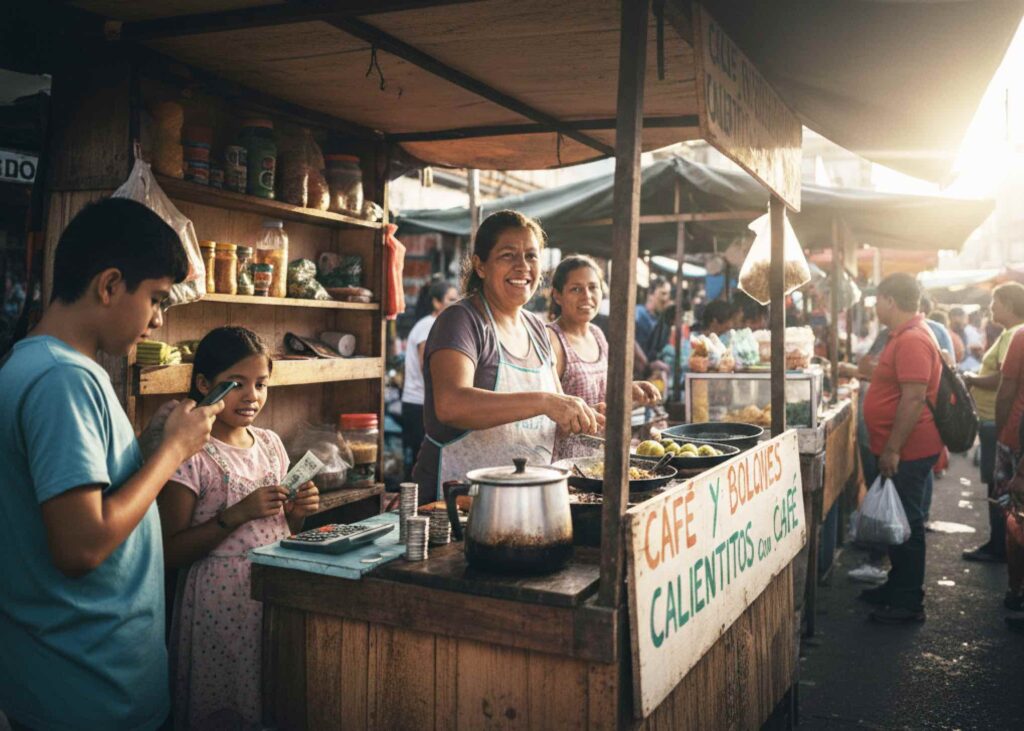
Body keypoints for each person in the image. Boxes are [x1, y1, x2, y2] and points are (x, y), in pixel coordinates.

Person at [0, 198, 222, 729]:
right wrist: (173, 452)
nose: (157, 320)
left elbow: (82, 496)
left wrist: (147, 449)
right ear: (110, 285)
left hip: (76, 680)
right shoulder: (63, 380)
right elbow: (80, 546)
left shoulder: (34, 364)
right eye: (156, 300)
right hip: (88, 691)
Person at [158, 326, 320, 728]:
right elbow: (169, 551)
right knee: (224, 705)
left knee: (268, 701)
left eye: (261, 384)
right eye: (236, 384)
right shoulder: (191, 451)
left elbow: (284, 528)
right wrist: (238, 513)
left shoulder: (269, 443)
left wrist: (299, 511)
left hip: (272, 593)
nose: (251, 396)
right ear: (203, 385)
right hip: (219, 602)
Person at [413, 210, 603, 504]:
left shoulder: (537, 329)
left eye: (531, 255)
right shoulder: (462, 320)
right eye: (507, 255)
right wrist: (544, 401)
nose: (522, 267)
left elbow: (551, 413)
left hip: (524, 500)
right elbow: (451, 405)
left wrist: (582, 415)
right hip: (456, 502)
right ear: (480, 265)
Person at [859, 273, 942, 624]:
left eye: (878, 300)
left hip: (908, 449)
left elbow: (913, 398)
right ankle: (898, 585)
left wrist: (892, 449)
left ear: (891, 300)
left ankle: (908, 602)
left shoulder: (912, 339)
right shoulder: (904, 335)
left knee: (908, 524)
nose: (876, 306)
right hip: (899, 447)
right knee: (899, 523)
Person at [545, 255, 659, 461]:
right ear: (557, 296)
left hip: (599, 461)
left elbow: (602, 391)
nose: (586, 296)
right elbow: (542, 415)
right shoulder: (551, 339)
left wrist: (628, 388)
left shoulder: (597, 334)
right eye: (576, 289)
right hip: (565, 464)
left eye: (593, 287)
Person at [961, 283, 1024, 563]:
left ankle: (1002, 548)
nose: (991, 307)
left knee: (1003, 492)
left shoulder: (1016, 335)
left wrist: (1000, 430)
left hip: (1008, 428)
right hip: (1005, 426)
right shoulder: (1011, 334)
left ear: (1010, 304)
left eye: (995, 302)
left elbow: (1005, 385)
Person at [402, 280, 459, 478]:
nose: (456, 303)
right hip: (418, 404)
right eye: (451, 299)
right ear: (436, 302)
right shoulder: (428, 325)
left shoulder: (437, 324)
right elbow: (426, 367)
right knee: (420, 466)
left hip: (422, 404)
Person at [635, 276, 670, 360]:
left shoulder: (661, 322)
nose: (666, 299)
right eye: (663, 293)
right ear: (651, 294)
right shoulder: (638, 313)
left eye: (668, 294)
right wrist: (646, 366)